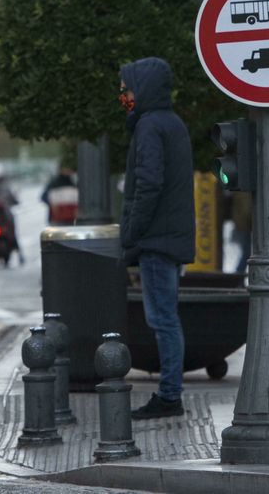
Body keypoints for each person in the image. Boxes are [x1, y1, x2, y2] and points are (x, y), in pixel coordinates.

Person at [117, 58, 195, 420]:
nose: (124, 96)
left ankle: (169, 396)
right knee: (166, 317)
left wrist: (133, 230)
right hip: (167, 235)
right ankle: (170, 392)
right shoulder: (170, 123)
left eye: (128, 89)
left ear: (143, 89)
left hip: (157, 239)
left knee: (163, 318)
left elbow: (149, 183)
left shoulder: (150, 127)